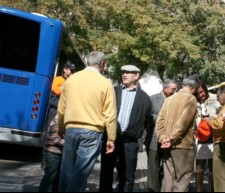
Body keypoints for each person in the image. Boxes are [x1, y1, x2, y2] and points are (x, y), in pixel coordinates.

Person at [57, 51, 117, 192]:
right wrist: (112, 139)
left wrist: (61, 127)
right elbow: (110, 115)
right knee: (80, 174)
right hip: (92, 132)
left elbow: (61, 109)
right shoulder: (106, 84)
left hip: (71, 129)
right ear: (102, 64)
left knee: (66, 171)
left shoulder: (71, 79)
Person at [99, 64, 153, 192]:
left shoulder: (144, 98)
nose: (124, 74)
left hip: (130, 142)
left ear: (136, 76)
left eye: (128, 72)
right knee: (106, 173)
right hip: (110, 139)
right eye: (123, 72)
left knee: (127, 176)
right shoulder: (113, 91)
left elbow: (146, 120)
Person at [155, 76, 198, 192]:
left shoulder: (169, 99)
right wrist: (170, 139)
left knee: (168, 179)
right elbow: (182, 124)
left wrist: (163, 138)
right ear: (193, 87)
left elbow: (159, 121)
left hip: (167, 145)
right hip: (183, 146)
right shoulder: (191, 99)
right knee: (182, 179)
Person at [145, 78, 178, 192]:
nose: (175, 91)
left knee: (167, 167)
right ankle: (153, 189)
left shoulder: (176, 100)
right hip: (154, 139)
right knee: (153, 167)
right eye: (173, 89)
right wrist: (162, 119)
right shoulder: (153, 99)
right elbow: (148, 116)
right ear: (165, 88)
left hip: (170, 139)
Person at [194, 80, 220, 192]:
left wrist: (211, 118)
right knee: (199, 167)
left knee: (212, 167)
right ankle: (198, 190)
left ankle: (211, 189)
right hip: (200, 138)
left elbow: (221, 115)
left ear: (205, 89)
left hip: (213, 137)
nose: (200, 95)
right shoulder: (194, 102)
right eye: (198, 93)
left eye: (202, 92)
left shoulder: (215, 99)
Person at [38, 114, 64, 192]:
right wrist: (68, 142)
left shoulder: (60, 123)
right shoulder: (55, 124)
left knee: (57, 177)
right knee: (50, 176)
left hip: (59, 153)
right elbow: (55, 140)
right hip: (53, 153)